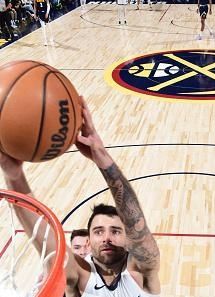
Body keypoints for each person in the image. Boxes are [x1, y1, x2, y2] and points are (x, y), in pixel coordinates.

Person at [0, 98, 160, 297]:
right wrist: (14, 175)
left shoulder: (141, 274)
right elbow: (46, 237)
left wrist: (101, 156)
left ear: (129, 239)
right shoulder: (81, 276)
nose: (107, 238)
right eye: (99, 231)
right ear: (89, 241)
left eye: (116, 231)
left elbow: (136, 222)